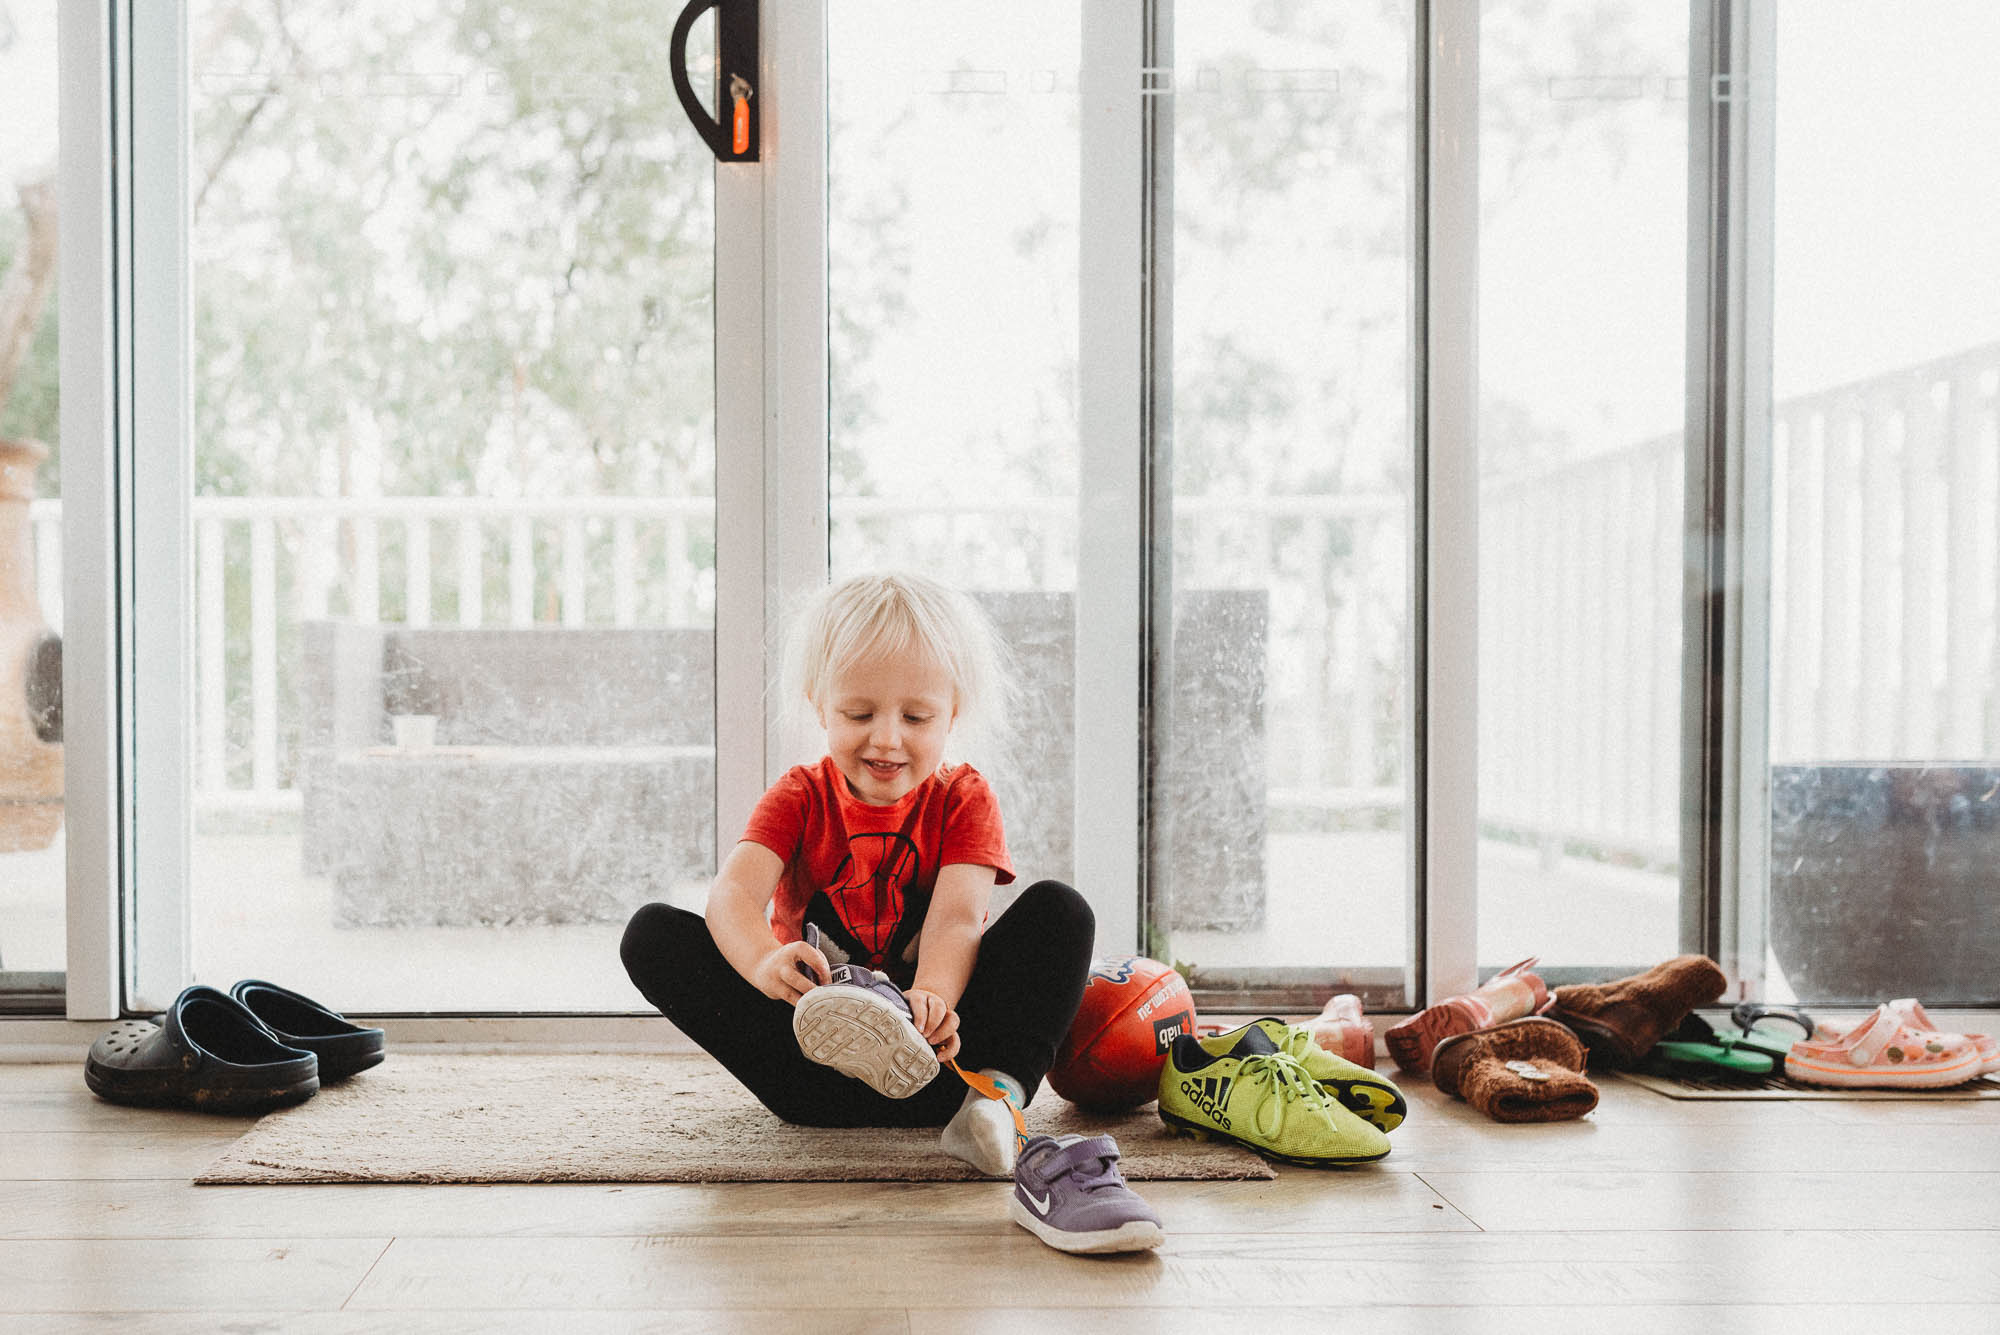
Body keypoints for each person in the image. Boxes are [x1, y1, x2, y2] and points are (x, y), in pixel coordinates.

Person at [620, 572, 1096, 1175]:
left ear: (953, 714)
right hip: (811, 1068)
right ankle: (847, 1094)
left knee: (1061, 912)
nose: (887, 738)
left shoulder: (965, 797)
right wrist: (765, 961)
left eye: (917, 717)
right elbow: (733, 895)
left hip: (943, 1062)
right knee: (652, 933)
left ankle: (994, 1100)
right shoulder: (798, 796)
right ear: (820, 703)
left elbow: (954, 922)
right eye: (859, 712)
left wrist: (932, 1001)